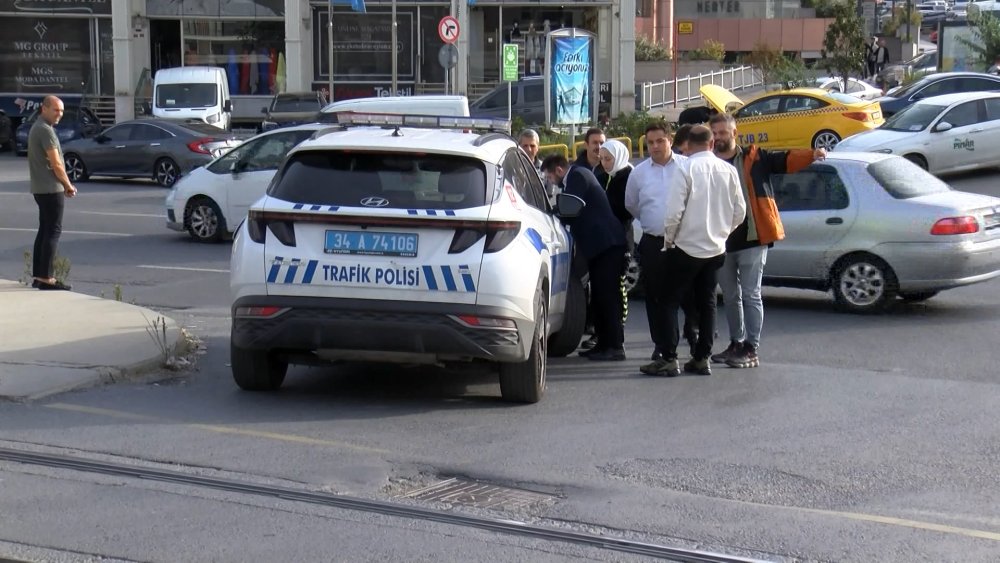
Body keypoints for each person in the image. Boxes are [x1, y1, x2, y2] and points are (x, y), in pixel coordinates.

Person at [709, 112, 824, 369]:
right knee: (729, 296)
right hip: (720, 241)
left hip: (752, 237)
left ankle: (752, 347)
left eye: (722, 133)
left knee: (751, 294)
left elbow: (783, 160)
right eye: (714, 133)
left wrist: (811, 154)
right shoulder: (707, 162)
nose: (718, 138)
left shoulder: (754, 157)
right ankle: (736, 343)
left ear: (734, 133)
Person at [657, 125, 746, 377]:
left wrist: (669, 241)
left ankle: (669, 357)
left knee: (668, 301)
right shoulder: (728, 170)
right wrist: (722, 232)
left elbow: (674, 212)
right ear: (710, 144)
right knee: (707, 302)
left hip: (686, 246)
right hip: (715, 247)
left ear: (689, 143)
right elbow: (739, 212)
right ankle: (702, 357)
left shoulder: (684, 168)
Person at [542, 154, 627, 361]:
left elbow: (570, 208)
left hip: (606, 244)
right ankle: (603, 343)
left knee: (608, 297)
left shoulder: (577, 176)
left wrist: (549, 215)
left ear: (559, 170)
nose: (551, 182)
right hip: (598, 246)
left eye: (550, 177)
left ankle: (615, 346)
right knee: (598, 296)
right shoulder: (577, 176)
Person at [624, 122, 689, 374]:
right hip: (653, 241)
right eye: (650, 143)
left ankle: (696, 348)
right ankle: (661, 348)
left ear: (670, 140)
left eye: (659, 141)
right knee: (655, 297)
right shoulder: (639, 173)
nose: (654, 147)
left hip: (684, 241)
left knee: (689, 296)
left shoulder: (686, 167)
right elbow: (632, 205)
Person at [28, 95, 77, 291]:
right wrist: (67, 185)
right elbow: (56, 163)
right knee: (53, 232)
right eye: (56, 110)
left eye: (62, 111)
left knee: (44, 230)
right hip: (50, 188)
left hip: (41, 188)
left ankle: (39, 276)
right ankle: (47, 278)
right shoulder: (45, 130)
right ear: (44, 109)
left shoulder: (37, 128)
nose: (60, 115)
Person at [597, 139, 635, 334]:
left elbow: (626, 210)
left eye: (608, 159)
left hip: (621, 240)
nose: (604, 163)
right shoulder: (605, 176)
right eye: (602, 158)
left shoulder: (627, 177)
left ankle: (619, 327)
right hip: (606, 240)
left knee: (619, 285)